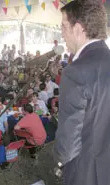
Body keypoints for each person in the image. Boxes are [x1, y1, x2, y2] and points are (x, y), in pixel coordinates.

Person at [54, 1, 110, 185]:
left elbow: (68, 142)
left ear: (78, 29)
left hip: (87, 174)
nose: (61, 33)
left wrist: (60, 164)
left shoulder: (75, 72)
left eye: (63, 26)